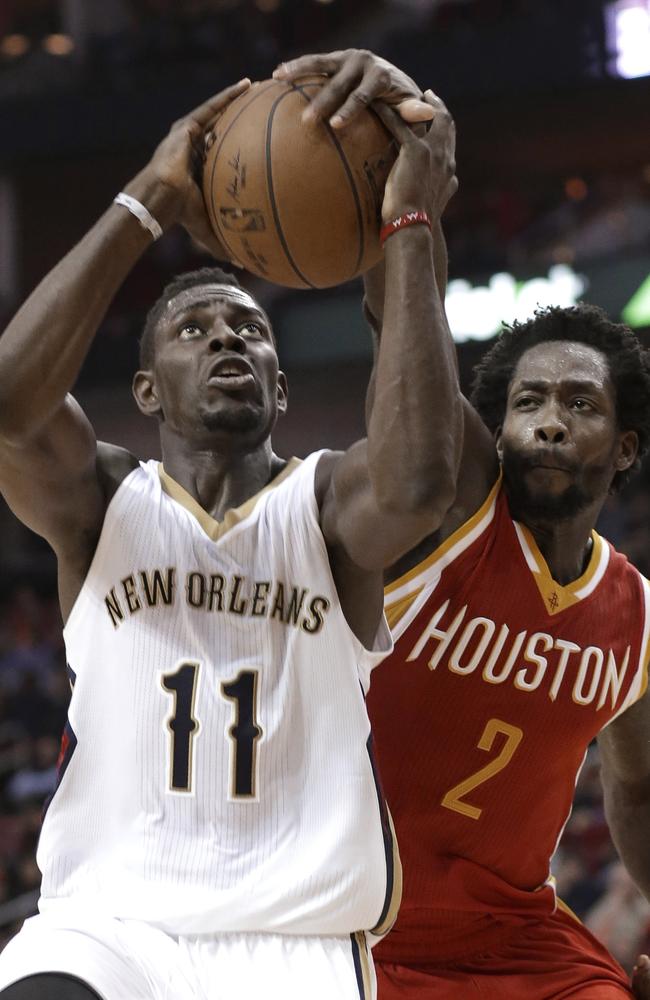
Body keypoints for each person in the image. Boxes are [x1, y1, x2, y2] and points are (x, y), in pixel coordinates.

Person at [0, 75, 458, 999]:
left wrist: (405, 226)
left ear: (280, 389)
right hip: (109, 927)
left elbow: (418, 482)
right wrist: (148, 200)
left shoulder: (326, 508)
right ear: (146, 392)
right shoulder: (100, 504)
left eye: (249, 330)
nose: (226, 341)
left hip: (292, 940)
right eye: (193, 330)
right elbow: (10, 408)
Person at [276, 47, 650, 1000]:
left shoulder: (633, 612)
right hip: (349, 927)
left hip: (518, 940)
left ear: (625, 447)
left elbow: (638, 788)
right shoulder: (453, 504)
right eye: (528, 402)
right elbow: (408, 349)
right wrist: (409, 184)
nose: (551, 419)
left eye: (579, 403)